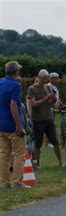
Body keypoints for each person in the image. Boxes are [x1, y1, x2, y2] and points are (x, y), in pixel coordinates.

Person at [0, 61, 29, 189]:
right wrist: (18, 126)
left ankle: (4, 183)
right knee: (19, 154)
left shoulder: (0, 83)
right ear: (16, 71)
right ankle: (17, 182)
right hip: (12, 125)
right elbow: (13, 105)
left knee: (3, 155)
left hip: (1, 125)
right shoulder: (15, 86)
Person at [26, 69, 62, 167]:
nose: (45, 81)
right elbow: (33, 104)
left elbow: (50, 103)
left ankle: (60, 163)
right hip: (38, 120)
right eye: (44, 79)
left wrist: (53, 98)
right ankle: (37, 163)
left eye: (47, 79)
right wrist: (46, 98)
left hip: (48, 118)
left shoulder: (47, 87)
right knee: (38, 143)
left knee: (55, 141)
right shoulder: (32, 89)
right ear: (39, 77)